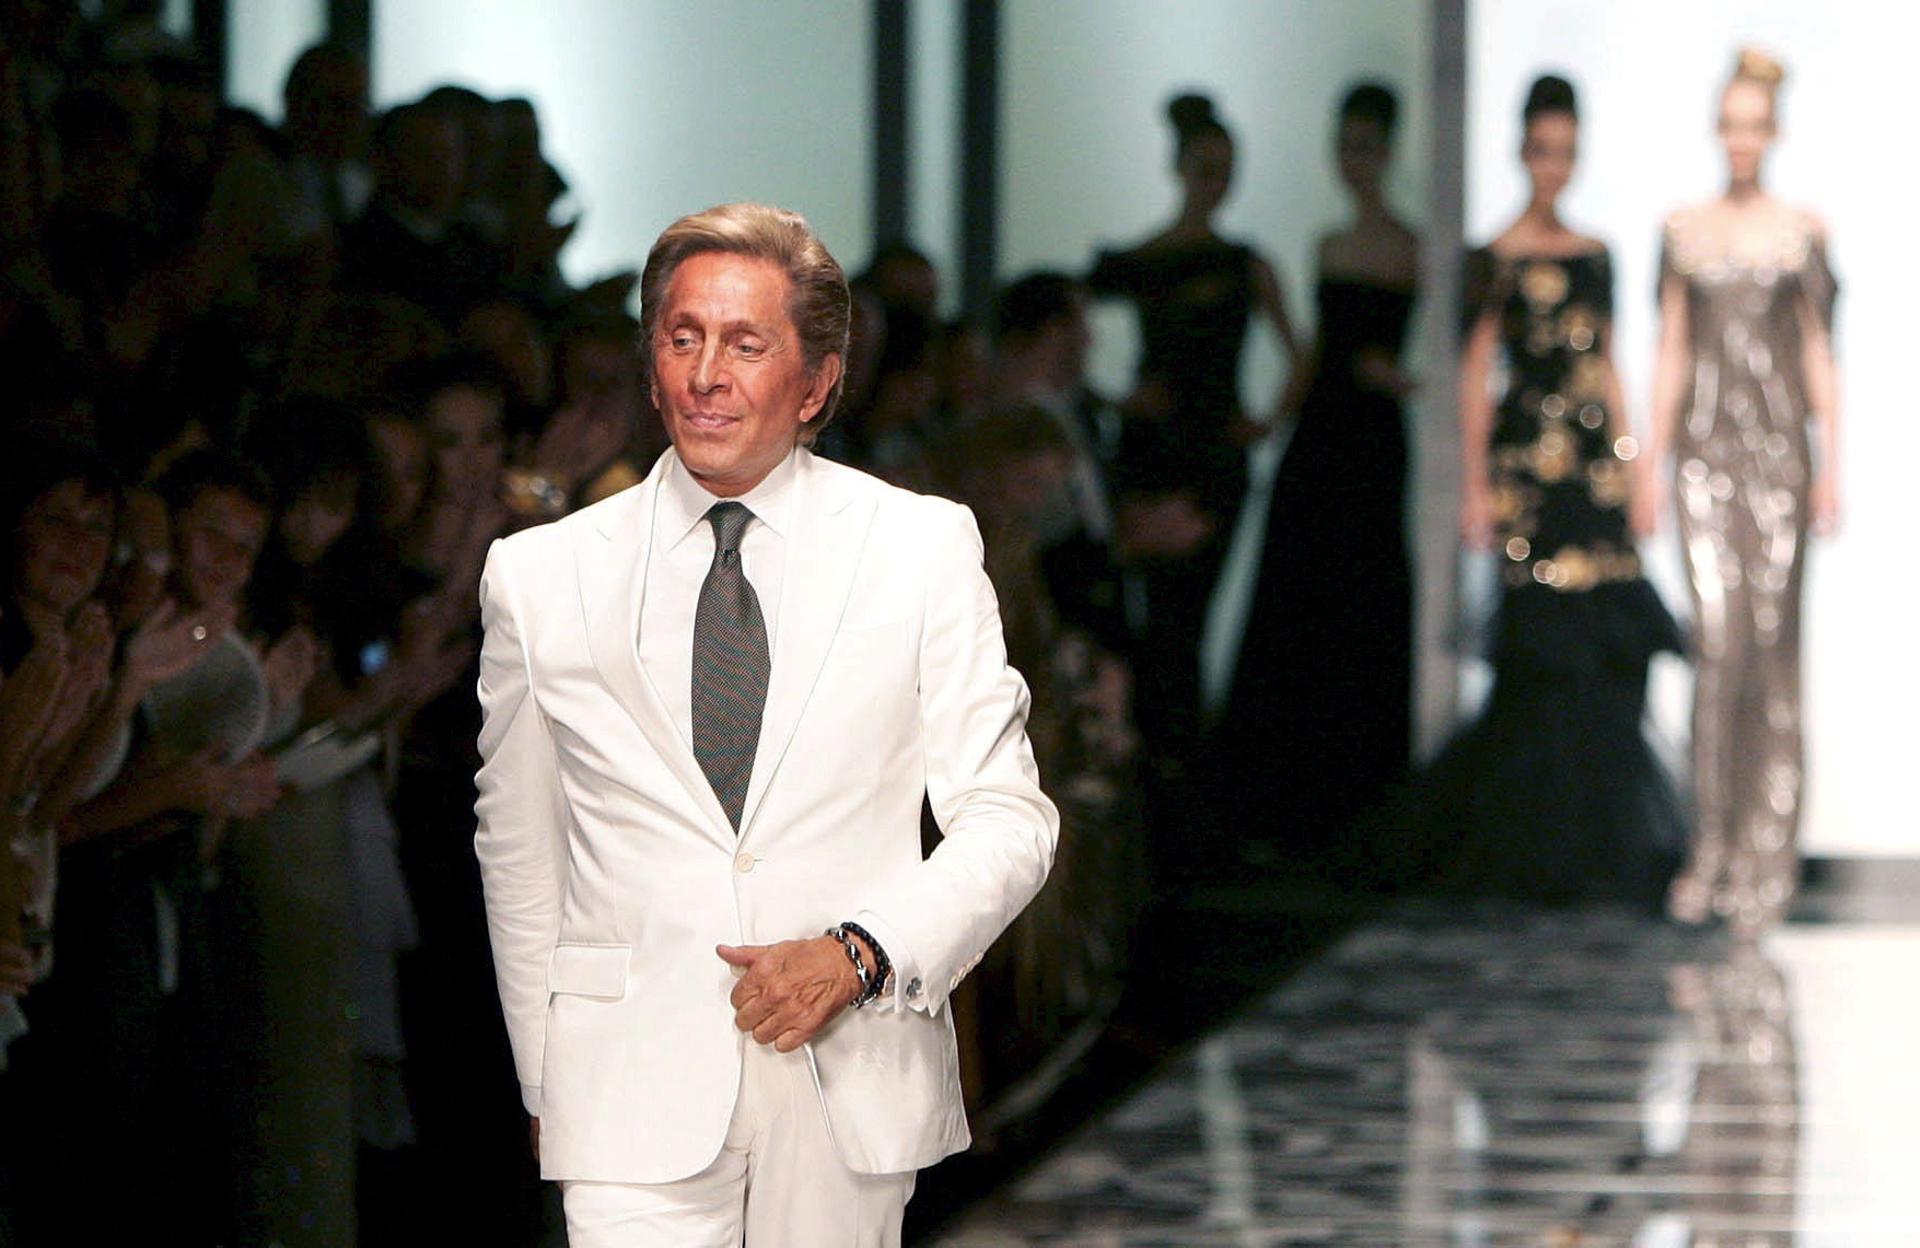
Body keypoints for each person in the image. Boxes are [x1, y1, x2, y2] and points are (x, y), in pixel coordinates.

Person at [472, 202, 1057, 1246]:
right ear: (651, 364)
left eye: (745, 345)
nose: (707, 375)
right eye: (682, 338)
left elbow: (1010, 818)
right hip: (624, 1079)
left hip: (846, 1065)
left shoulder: (918, 548)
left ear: (818, 382)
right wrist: (547, 1079)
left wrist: (864, 952)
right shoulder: (539, 574)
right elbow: (520, 843)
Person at [1415, 74, 1684, 909]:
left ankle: (1598, 848)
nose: (1553, 167)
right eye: (1541, 150)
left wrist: (1639, 468)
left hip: (1595, 473)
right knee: (1538, 653)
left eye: (1565, 152)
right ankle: (1530, 848)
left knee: (1609, 647)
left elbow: (1607, 363)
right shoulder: (1491, 260)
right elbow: (1474, 375)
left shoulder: (1595, 255)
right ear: (1520, 150)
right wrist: (1472, 486)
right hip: (1525, 473)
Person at [1648, 49, 1840, 933]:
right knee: (1717, 649)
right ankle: (1711, 849)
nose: (1741, 140)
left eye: (1754, 125)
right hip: (1702, 461)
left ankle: (1770, 857)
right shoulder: (1684, 231)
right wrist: (1648, 461)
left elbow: (1817, 350)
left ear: (1775, 131)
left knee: (1773, 651)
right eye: (1730, 124)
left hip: (1779, 463)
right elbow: (1672, 347)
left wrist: (1833, 463)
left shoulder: (1801, 233)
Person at [1220, 82, 1421, 874]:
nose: (1353, 161)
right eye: (1345, 146)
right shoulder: (1329, 243)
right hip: (1323, 436)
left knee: (1363, 596)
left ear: (1388, 151)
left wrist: (1402, 381)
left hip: (1372, 438)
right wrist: (1275, 419)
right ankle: (1282, 803)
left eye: (1365, 146)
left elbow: (1426, 352)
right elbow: (1316, 353)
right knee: (1299, 598)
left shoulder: (1411, 246)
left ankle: (1359, 800)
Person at [1085, 91, 1301, 798]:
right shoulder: (1147, 260)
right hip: (1156, 452)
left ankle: (1175, 777)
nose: (1216, 183)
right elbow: (1060, 328)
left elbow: (1299, 352)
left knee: (1185, 618)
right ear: (1180, 168)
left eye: (1225, 170)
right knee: (1156, 616)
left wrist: (1266, 421)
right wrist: (1112, 400)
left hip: (1210, 456)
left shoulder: (1239, 263)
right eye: (1207, 168)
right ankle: (1164, 775)